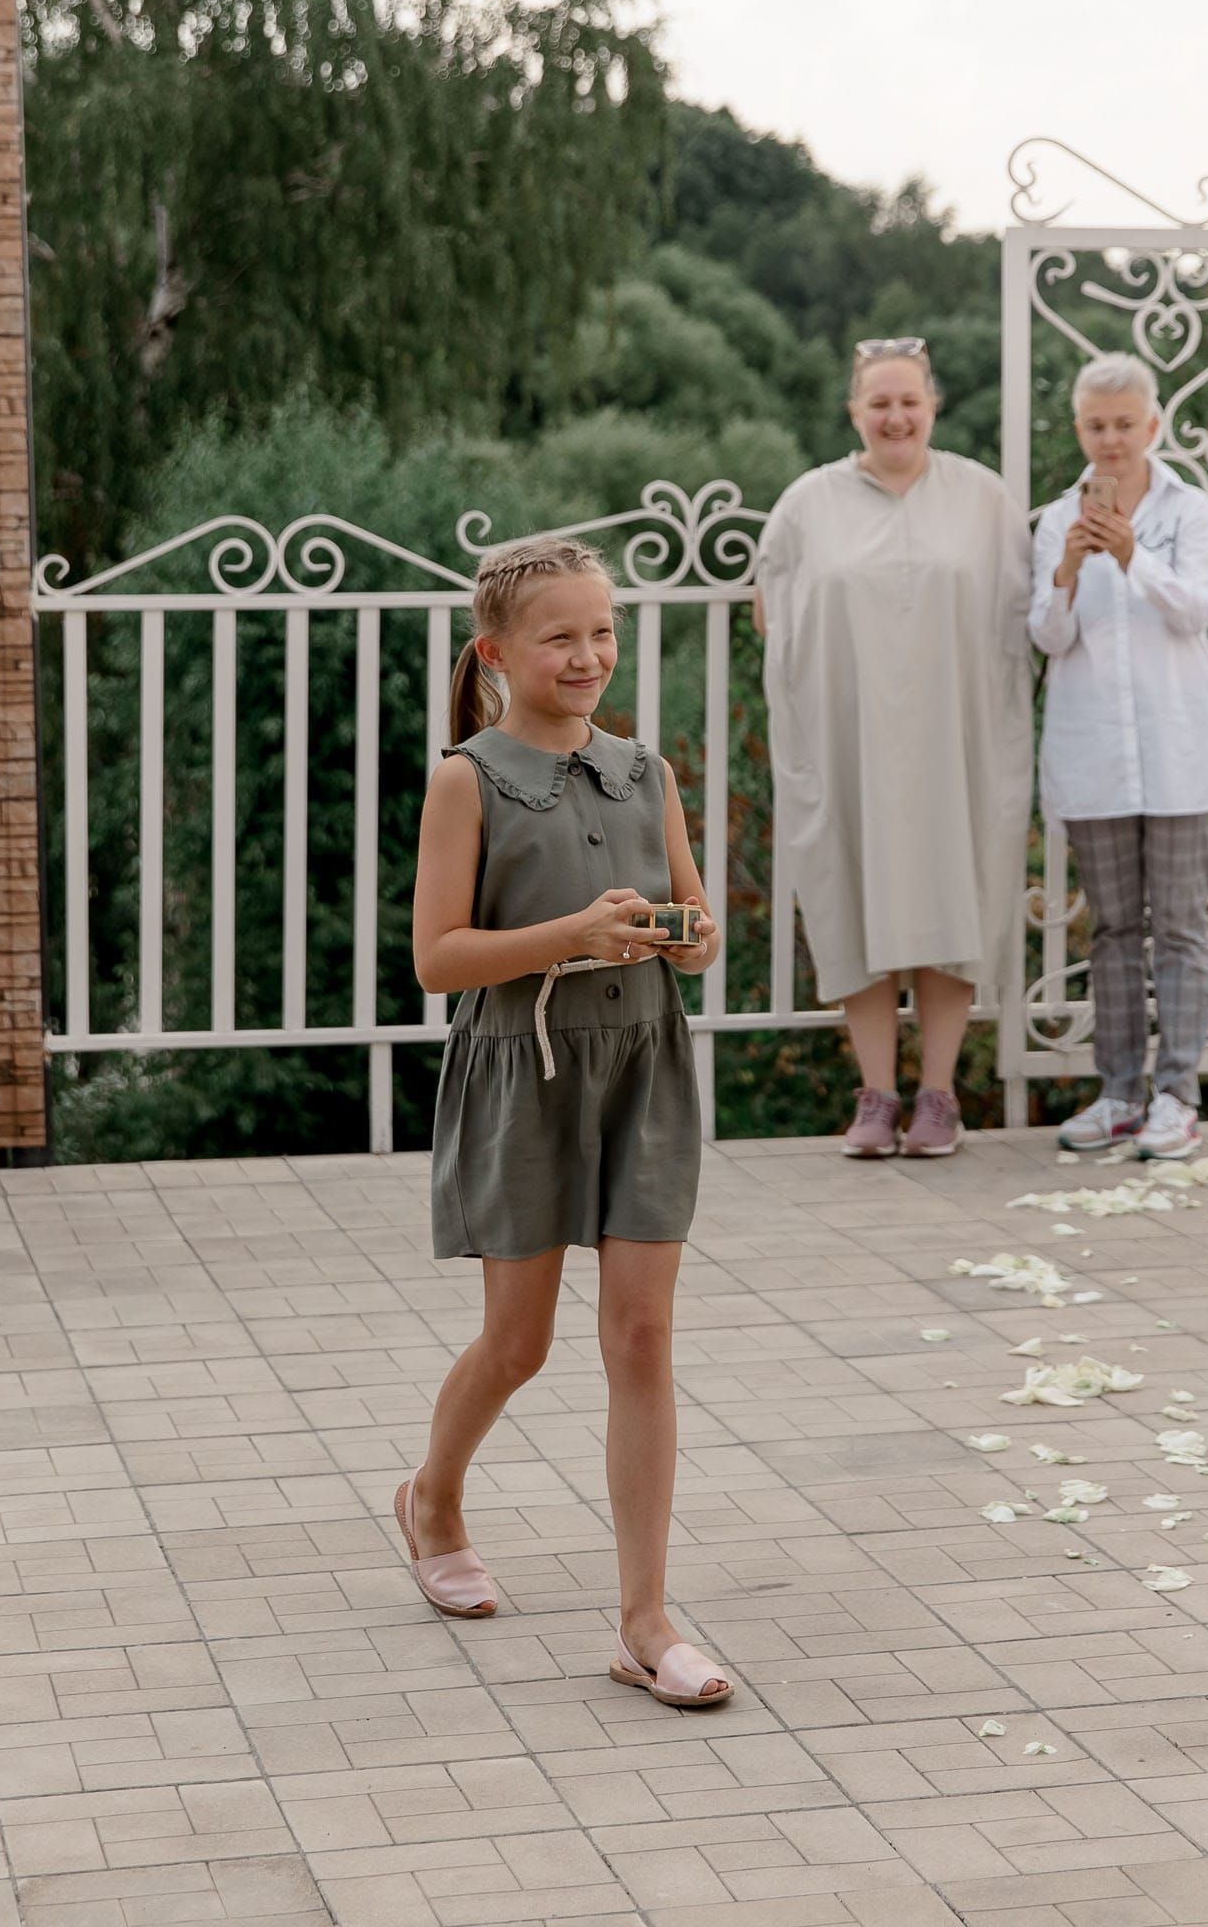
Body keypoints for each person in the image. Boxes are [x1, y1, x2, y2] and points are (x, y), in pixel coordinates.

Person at [402, 532, 733, 1708]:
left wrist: (687, 940)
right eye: (561, 637)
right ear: (496, 653)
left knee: (640, 1335)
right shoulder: (466, 778)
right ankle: (433, 1497)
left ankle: (644, 1623)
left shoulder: (648, 772)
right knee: (521, 1343)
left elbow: (699, 931)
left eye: (602, 632)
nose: (588, 655)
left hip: (644, 1066)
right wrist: (573, 936)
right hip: (520, 1074)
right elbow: (438, 960)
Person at [755, 337, 1033, 1156]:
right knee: (854, 890)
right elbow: (772, 607)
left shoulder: (982, 497)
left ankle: (938, 1097)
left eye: (910, 401)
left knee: (954, 891)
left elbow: (1023, 619)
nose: (896, 416)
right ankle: (876, 1098)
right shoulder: (809, 502)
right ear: (855, 412)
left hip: (956, 739)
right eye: (879, 403)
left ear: (932, 406)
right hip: (851, 740)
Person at [1030, 353, 1208, 1160]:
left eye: (1124, 424)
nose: (1110, 439)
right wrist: (1070, 567)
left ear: (1152, 425)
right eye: (1096, 425)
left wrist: (1132, 554)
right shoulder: (1055, 519)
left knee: (1179, 928)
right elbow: (1048, 637)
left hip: (1178, 751)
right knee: (1112, 930)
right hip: (1094, 755)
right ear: (1080, 429)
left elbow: (1195, 611)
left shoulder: (1190, 508)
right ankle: (1118, 1093)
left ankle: (1177, 1097)